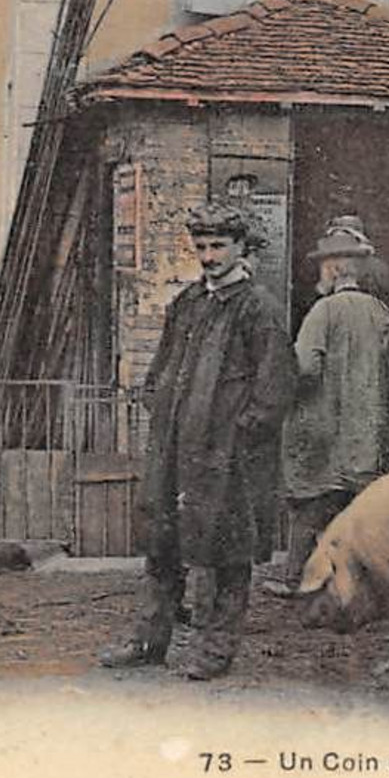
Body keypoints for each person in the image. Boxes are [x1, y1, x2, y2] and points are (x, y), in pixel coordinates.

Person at [100, 205, 292, 680]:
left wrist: (239, 433)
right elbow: (163, 365)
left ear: (242, 249)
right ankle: (149, 640)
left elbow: (276, 387)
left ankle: (215, 649)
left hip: (227, 456)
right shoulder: (188, 303)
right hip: (175, 449)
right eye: (201, 247)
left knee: (226, 554)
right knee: (162, 545)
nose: (208, 257)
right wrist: (158, 402)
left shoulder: (258, 308)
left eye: (218, 247)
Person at [276, 229, 389, 591]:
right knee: (356, 507)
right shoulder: (380, 311)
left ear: (336, 269)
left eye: (323, 266)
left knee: (310, 504)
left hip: (323, 424)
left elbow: (306, 367)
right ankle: (358, 581)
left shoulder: (323, 311)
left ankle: (297, 577)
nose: (319, 274)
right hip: (364, 428)